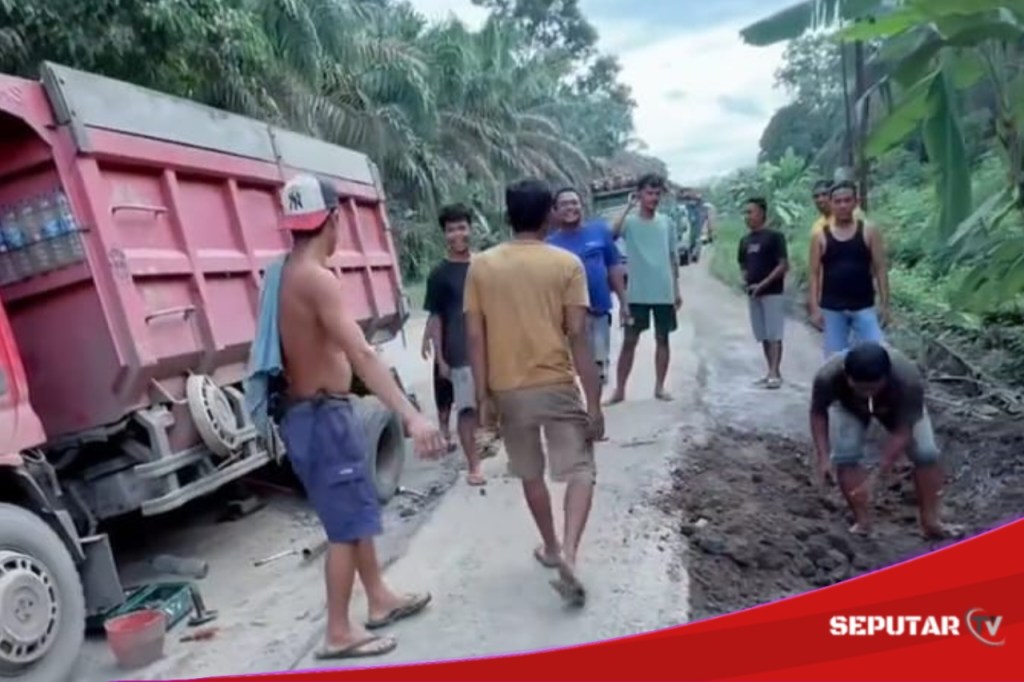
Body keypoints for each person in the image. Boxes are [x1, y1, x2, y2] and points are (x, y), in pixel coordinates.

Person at [275, 174, 441, 659]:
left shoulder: (286, 271)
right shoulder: (316, 278)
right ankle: (337, 632)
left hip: (318, 415)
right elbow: (364, 356)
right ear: (333, 218)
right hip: (322, 417)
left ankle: (380, 598)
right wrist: (411, 416)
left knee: (356, 510)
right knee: (345, 529)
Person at [464, 178, 604, 607]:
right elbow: (579, 334)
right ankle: (572, 554)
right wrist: (594, 403)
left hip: (508, 391)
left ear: (507, 217)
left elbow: (475, 336)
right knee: (580, 469)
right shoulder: (566, 264)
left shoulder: (482, 266)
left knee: (530, 473)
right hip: (557, 384)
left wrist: (484, 398)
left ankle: (551, 548)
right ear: (548, 216)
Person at [809, 342, 961, 540]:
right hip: (850, 407)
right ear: (847, 377)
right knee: (845, 454)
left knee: (926, 453)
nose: (867, 394)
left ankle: (931, 522)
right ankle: (862, 523)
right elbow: (818, 413)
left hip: (897, 408)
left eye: (872, 388)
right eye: (860, 388)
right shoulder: (827, 376)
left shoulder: (908, 380)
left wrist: (877, 476)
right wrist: (823, 457)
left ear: (886, 378)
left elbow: (903, 431)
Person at [422, 204, 485, 485]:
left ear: (471, 229)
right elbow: (436, 318)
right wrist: (441, 360)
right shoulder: (438, 275)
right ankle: (474, 466)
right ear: (444, 235)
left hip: (492, 348)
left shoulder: (485, 265)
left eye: (461, 227)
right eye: (450, 229)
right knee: (468, 410)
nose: (457, 234)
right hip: (459, 354)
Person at [606, 173, 682, 404]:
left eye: (657, 193)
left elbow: (672, 258)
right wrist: (628, 207)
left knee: (663, 339)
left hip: (663, 292)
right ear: (639, 194)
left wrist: (676, 290)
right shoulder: (630, 222)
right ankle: (620, 390)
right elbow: (611, 234)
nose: (654, 198)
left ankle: (659, 387)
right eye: (649, 193)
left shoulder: (666, 222)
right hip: (637, 293)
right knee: (630, 341)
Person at [546, 187, 628, 396]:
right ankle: (579, 412)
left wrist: (624, 303)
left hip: (599, 312)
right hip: (567, 319)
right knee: (570, 370)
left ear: (581, 206)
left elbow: (614, 267)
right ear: (554, 211)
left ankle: (594, 409)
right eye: (564, 204)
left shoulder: (599, 232)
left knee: (598, 368)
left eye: (574, 202)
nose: (570, 207)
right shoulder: (549, 245)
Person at [808, 181, 890, 358]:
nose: (843, 205)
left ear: (856, 202)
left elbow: (880, 268)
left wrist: (885, 304)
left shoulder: (869, 231)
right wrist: (814, 308)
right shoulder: (820, 235)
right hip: (832, 308)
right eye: (838, 201)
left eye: (847, 200)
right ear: (831, 204)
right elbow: (814, 274)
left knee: (878, 355)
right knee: (835, 362)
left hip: (864, 306)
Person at [738, 197, 789, 388]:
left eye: (750, 212)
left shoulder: (775, 237)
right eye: (746, 213)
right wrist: (746, 281)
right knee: (763, 335)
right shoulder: (745, 240)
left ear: (761, 213)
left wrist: (764, 284)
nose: (747, 216)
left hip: (773, 292)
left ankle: (774, 372)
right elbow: (743, 264)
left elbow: (783, 265)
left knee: (774, 334)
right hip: (754, 294)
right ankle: (771, 371)